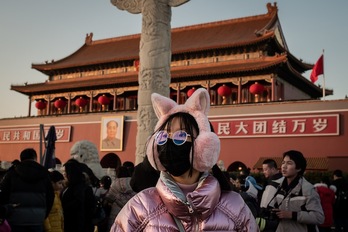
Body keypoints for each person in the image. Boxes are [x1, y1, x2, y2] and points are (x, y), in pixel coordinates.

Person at [110, 88, 258, 231]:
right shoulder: (139, 207)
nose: (169, 142)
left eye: (180, 136)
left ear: (204, 147)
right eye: (164, 136)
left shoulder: (235, 207)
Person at [0, 148, 54, 232]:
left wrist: (8, 211)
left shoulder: (11, 173)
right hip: (37, 220)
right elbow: (50, 197)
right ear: (35, 158)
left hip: (15, 220)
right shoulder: (44, 174)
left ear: (21, 158)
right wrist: (43, 214)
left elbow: (3, 195)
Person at [272, 150, 324, 232]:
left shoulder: (308, 189)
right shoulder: (279, 187)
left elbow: (319, 217)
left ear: (299, 168)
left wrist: (292, 215)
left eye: (289, 163)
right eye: (283, 162)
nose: (284, 166)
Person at [60, 159, 95, 232]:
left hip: (77, 225)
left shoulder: (82, 188)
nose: (64, 174)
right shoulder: (67, 187)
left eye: (65, 172)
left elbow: (85, 207)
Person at [104, 166, 136, 231]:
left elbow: (109, 198)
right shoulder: (133, 183)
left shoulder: (115, 183)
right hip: (130, 213)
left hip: (116, 213)